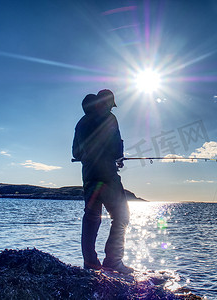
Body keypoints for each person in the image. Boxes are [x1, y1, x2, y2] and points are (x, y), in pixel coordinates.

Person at [72, 89, 133, 274]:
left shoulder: (81, 123)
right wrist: (118, 158)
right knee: (121, 216)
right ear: (108, 103)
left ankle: (90, 263)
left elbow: (75, 153)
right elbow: (116, 149)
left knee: (91, 218)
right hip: (107, 176)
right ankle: (113, 261)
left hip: (89, 177)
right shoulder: (109, 118)